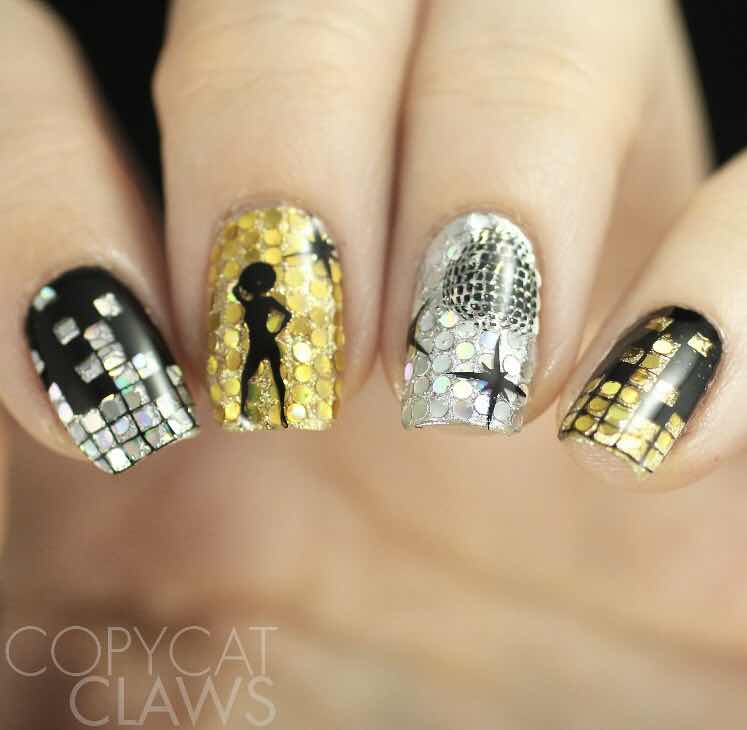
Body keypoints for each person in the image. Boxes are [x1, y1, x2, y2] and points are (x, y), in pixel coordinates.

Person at [232, 262, 292, 428]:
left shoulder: (256, 302)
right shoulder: (252, 302)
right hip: (260, 343)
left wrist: (277, 331)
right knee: (253, 377)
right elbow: (235, 292)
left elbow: (287, 314)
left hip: (262, 342)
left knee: (271, 377)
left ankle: (280, 413)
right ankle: (246, 412)